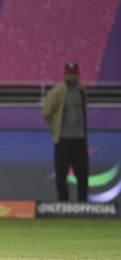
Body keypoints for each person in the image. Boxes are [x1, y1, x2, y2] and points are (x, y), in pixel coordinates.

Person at [42, 61, 88, 201]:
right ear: (64, 75)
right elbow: (46, 112)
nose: (72, 77)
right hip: (63, 139)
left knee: (82, 174)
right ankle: (63, 203)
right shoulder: (57, 91)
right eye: (69, 74)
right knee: (61, 174)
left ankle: (83, 204)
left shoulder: (82, 90)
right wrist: (55, 125)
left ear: (78, 75)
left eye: (74, 74)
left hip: (80, 139)